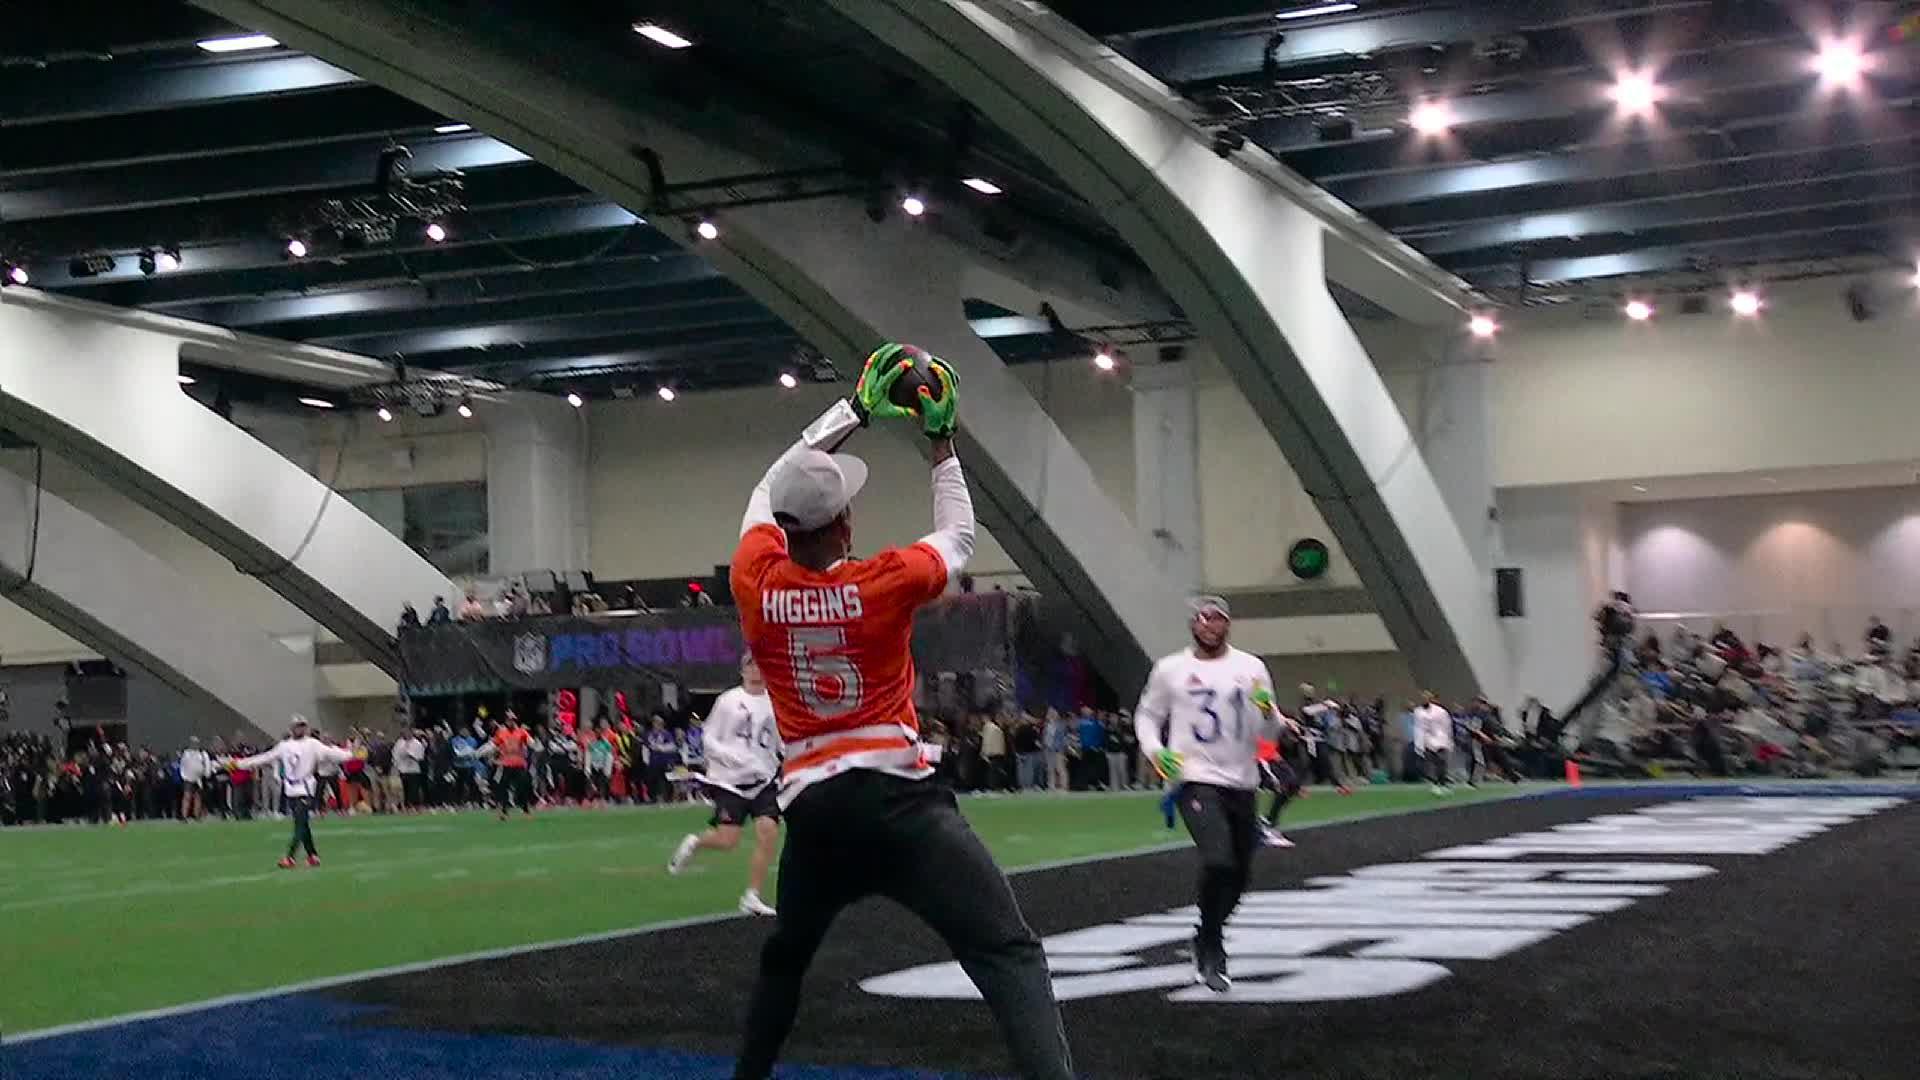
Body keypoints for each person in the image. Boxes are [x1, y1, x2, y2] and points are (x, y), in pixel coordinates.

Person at [726, 344, 1072, 1080]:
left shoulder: (755, 581)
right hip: (901, 805)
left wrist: (851, 409)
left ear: (783, 531)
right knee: (1007, 951)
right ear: (845, 527)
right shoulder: (881, 583)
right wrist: (941, 444)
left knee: (786, 959)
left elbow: (765, 486)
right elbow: (959, 538)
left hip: (815, 814)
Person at [1134, 595, 1294, 993]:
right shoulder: (1171, 669)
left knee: (1239, 875)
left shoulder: (1251, 667)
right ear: (1192, 624)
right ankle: (1210, 944)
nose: (1209, 625)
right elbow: (1148, 715)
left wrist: (1270, 715)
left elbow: (1268, 734)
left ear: (1228, 624)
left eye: (1217, 618)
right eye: (1202, 618)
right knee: (1218, 860)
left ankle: (1207, 932)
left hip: (1241, 780)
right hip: (1194, 777)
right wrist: (1155, 751)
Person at [669, 652, 784, 916]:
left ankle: (752, 895)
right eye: (750, 666)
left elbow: (779, 740)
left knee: (768, 831)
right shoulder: (729, 701)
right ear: (742, 671)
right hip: (731, 781)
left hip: (764, 779)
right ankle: (695, 843)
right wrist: (732, 758)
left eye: (759, 665)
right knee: (727, 840)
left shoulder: (775, 702)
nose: (755, 671)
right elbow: (709, 738)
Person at [229, 716, 363, 868]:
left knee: (299, 824)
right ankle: (312, 856)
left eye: (302, 726)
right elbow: (265, 758)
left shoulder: (313, 744)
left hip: (305, 789)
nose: (300, 729)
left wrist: (352, 752)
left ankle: (290, 857)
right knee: (302, 824)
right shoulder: (284, 746)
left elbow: (334, 754)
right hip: (290, 790)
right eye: (297, 726)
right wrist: (240, 764)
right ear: (291, 728)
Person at [1413, 690, 1454, 794]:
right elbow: (1418, 728)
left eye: (1427, 698)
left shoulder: (1441, 711)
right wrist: (1418, 744)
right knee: (1430, 763)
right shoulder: (1418, 712)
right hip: (1427, 740)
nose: (1424, 700)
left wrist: (1449, 740)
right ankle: (1434, 784)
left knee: (1441, 762)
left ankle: (1443, 783)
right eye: (1423, 698)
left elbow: (1447, 726)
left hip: (1440, 739)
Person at [178, 736, 211, 821]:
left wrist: (206, 774)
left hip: (199, 779)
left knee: (198, 797)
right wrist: (184, 776)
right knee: (187, 796)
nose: (194, 744)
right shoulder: (186, 754)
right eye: (193, 743)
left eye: (196, 743)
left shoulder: (203, 754)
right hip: (188, 778)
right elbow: (183, 765)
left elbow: (207, 764)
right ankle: (184, 816)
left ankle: (197, 815)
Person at [393, 727, 427, 811]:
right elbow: (395, 754)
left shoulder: (417, 743)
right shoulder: (399, 743)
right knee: (405, 789)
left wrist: (412, 756)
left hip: (413, 769)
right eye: (405, 733)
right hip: (403, 769)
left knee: (414, 789)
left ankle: (414, 806)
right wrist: (397, 765)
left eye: (408, 733)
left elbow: (420, 756)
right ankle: (406, 806)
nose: (407, 734)